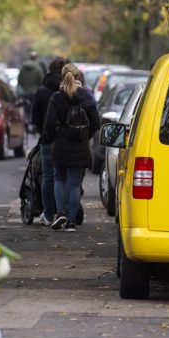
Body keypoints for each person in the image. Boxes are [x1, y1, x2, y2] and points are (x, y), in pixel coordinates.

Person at [43, 63, 99, 232]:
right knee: (74, 184)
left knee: (59, 178)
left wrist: (49, 140)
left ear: (62, 77)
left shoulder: (56, 97)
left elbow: (49, 123)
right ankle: (71, 222)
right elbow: (96, 121)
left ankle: (60, 213)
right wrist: (85, 136)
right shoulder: (85, 96)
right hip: (80, 146)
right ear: (78, 77)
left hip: (61, 144)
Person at [31, 57, 67, 226]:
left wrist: (42, 130)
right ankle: (66, 211)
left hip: (47, 138)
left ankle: (48, 214)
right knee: (64, 176)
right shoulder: (69, 89)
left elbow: (35, 116)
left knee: (48, 176)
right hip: (66, 139)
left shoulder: (42, 90)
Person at [17, 51, 45, 126]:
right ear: (36, 58)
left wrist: (25, 86)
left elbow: (19, 79)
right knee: (34, 107)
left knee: (26, 108)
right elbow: (41, 80)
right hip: (35, 92)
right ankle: (33, 123)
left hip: (25, 92)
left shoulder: (23, 67)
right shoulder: (38, 67)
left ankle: (27, 122)